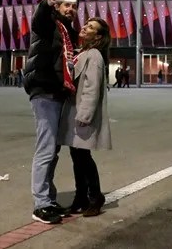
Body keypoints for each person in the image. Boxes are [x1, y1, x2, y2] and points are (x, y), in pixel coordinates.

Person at [22, 0, 78, 224]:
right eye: (66, 5)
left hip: (58, 91)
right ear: (56, 6)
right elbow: (38, 20)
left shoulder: (67, 31)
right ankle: (41, 204)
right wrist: (45, 3)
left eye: (74, 6)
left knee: (53, 150)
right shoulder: (49, 23)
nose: (70, 9)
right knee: (46, 147)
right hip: (43, 88)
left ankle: (49, 198)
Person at [59, 17, 112, 217]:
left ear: (97, 36)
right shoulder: (83, 53)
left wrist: (85, 114)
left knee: (83, 157)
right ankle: (80, 198)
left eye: (91, 27)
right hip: (75, 111)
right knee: (77, 156)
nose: (85, 27)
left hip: (82, 113)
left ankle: (94, 197)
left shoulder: (94, 55)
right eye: (86, 24)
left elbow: (92, 87)